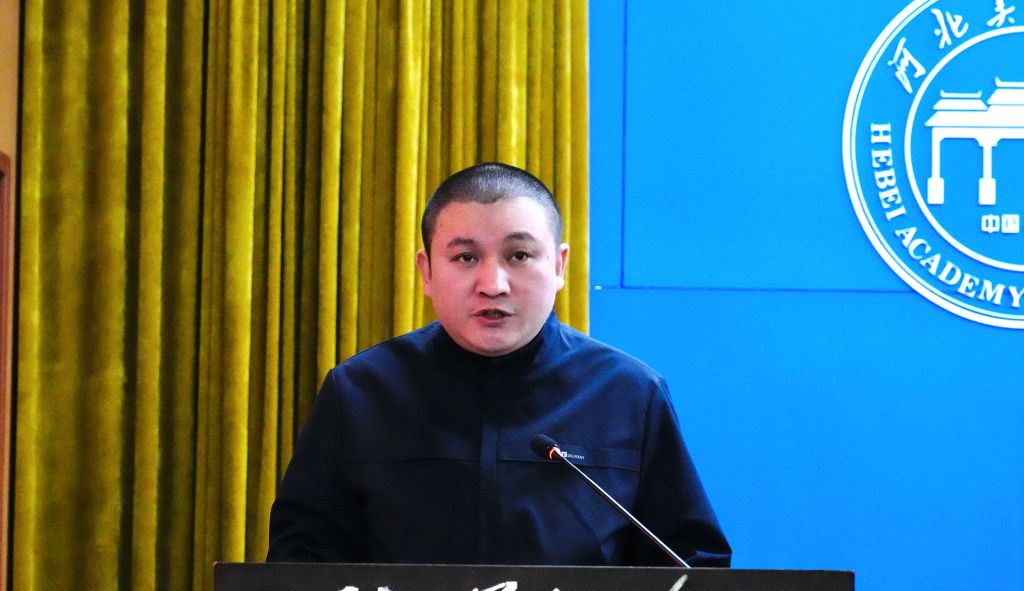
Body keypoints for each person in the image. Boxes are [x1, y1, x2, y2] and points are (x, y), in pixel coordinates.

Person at [267, 162, 730, 567]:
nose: (493, 284)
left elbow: (691, 567)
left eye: (519, 255)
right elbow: (300, 564)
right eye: (466, 257)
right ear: (427, 271)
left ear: (559, 266)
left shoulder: (628, 393)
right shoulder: (360, 392)